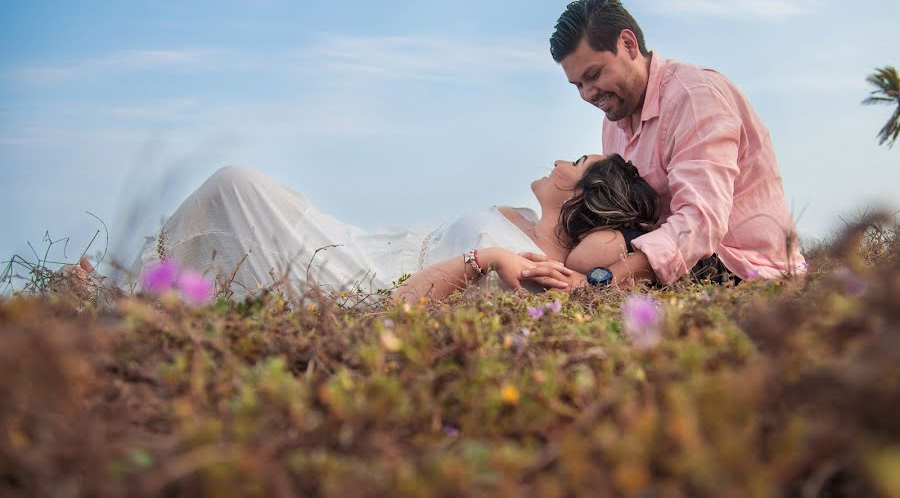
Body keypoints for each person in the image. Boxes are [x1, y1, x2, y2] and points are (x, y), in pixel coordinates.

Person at [71, 155, 660, 304]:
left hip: (359, 280)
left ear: (583, 191)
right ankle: (124, 288)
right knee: (236, 187)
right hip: (362, 241)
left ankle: (115, 294)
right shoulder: (523, 222)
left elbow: (401, 307)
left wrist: (484, 260)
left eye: (576, 163)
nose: (560, 161)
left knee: (234, 183)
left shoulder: (530, 265)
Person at [521, 0, 806, 289]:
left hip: (739, 263)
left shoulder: (694, 97)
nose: (588, 94)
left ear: (628, 45)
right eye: (578, 84)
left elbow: (700, 223)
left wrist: (598, 283)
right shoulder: (614, 122)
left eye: (594, 75)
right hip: (669, 252)